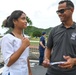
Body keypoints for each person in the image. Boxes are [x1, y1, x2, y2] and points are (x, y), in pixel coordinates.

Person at [43, 0, 76, 75]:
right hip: (52, 72)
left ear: (71, 10)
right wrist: (46, 59)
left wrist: (74, 61)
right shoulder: (54, 30)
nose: (59, 14)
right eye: (58, 12)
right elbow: (48, 48)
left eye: (62, 11)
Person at [1, 10, 32, 75]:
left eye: (26, 18)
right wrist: (23, 46)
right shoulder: (7, 38)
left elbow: (26, 57)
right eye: (23, 18)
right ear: (15, 21)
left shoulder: (25, 38)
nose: (26, 21)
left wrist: (29, 72)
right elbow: (8, 62)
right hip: (12, 72)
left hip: (24, 72)